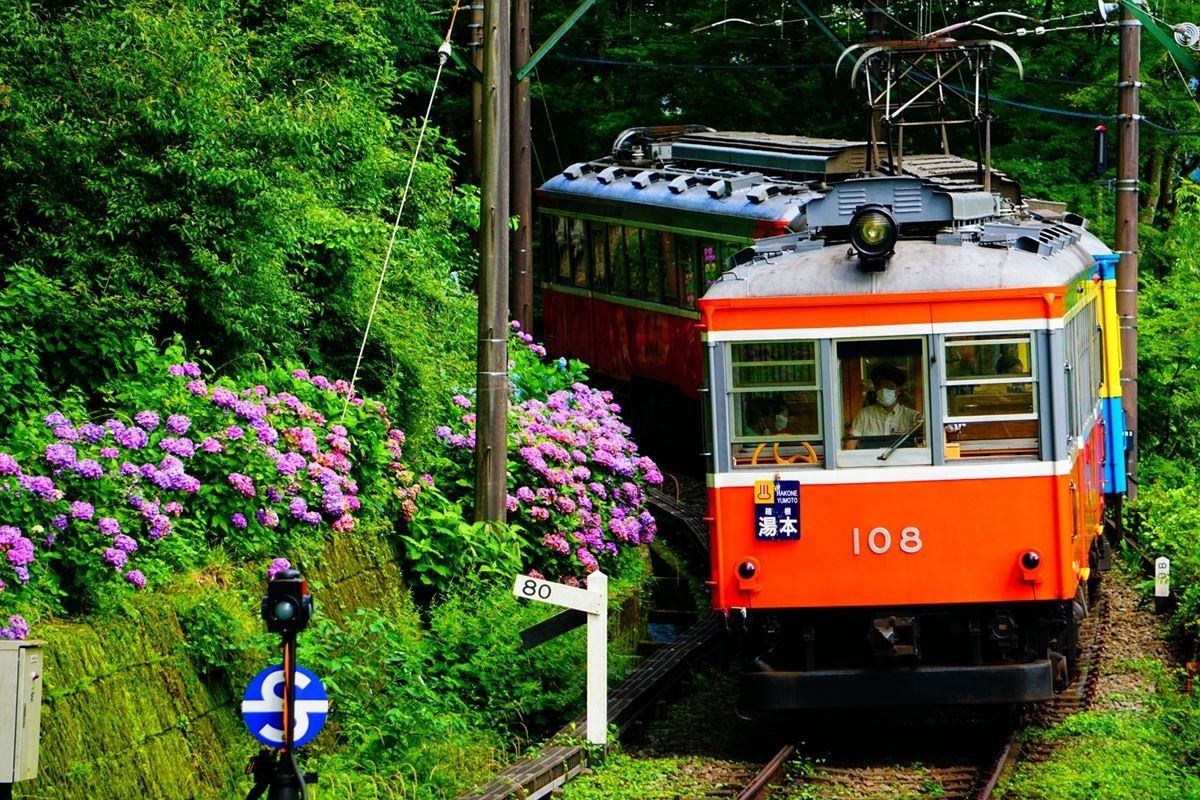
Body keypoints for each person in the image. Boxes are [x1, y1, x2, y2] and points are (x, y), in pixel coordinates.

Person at [848, 363, 923, 445]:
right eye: (881, 387)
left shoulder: (911, 417)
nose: (884, 391)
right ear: (876, 390)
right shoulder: (864, 415)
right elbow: (851, 443)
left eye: (889, 387)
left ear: (898, 391)